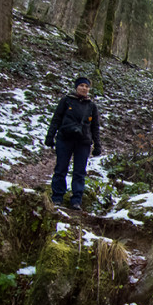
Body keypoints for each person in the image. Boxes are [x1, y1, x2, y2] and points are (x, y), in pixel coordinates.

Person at [45, 76, 102, 210]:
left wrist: (97, 145)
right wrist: (50, 136)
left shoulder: (91, 106)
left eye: (87, 86)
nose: (84, 88)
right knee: (61, 168)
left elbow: (95, 126)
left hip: (83, 142)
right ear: (76, 87)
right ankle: (57, 197)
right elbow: (56, 119)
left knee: (79, 172)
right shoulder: (66, 101)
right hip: (65, 139)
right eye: (82, 85)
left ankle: (76, 200)